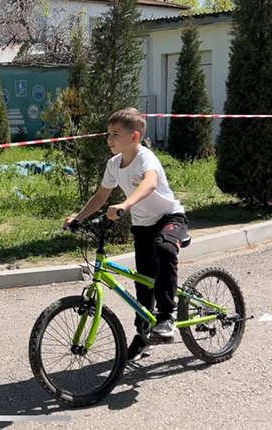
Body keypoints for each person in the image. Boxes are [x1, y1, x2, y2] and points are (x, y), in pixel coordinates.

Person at [64, 107, 187, 361]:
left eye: (115, 134)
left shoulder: (146, 158)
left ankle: (167, 317)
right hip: (142, 226)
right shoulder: (113, 164)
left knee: (164, 250)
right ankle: (144, 336)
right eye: (108, 133)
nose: (109, 139)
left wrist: (125, 205)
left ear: (134, 137)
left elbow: (150, 183)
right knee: (144, 284)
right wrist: (79, 218)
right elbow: (101, 196)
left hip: (169, 218)